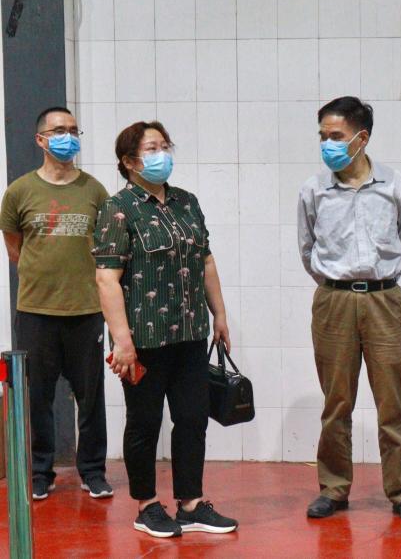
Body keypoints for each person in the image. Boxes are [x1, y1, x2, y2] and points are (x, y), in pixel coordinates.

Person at [94, 121, 237, 538]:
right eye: (151, 148)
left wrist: (219, 315)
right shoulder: (118, 209)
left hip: (190, 334)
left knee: (193, 418)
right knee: (144, 423)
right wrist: (123, 342)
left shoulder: (186, 202)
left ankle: (191, 503)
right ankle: (146, 506)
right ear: (129, 161)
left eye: (164, 146)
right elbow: (106, 279)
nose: (162, 155)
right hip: (144, 340)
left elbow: (205, 260)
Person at [297, 96, 401, 524]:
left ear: (361, 138)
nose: (327, 145)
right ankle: (333, 488)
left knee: (393, 402)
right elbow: (307, 249)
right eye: (322, 136)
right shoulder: (314, 190)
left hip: (384, 299)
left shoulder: (394, 185)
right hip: (333, 300)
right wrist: (336, 283)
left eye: (336, 136)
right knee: (336, 402)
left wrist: (375, 282)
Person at [0, 107, 111, 501]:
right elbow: (15, 249)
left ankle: (93, 471)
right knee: (38, 397)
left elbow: (107, 249)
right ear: (40, 140)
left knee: (91, 397)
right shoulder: (19, 192)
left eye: (73, 130)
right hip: (36, 311)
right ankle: (40, 472)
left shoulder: (95, 191)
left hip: (86, 310)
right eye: (59, 130)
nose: (68, 137)